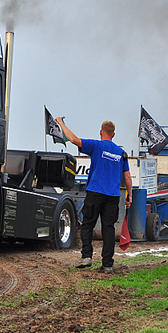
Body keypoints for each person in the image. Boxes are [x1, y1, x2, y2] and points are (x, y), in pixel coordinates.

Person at [55, 117, 132, 274]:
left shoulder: (96, 145)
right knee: (108, 228)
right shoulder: (121, 153)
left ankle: (87, 256)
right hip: (113, 196)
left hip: (95, 192)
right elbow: (128, 177)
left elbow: (73, 139)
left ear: (100, 132)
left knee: (88, 224)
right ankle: (107, 264)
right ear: (114, 134)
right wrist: (129, 195)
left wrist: (61, 123)